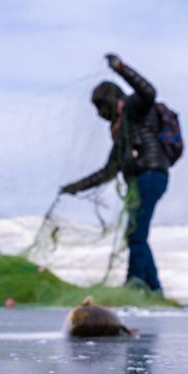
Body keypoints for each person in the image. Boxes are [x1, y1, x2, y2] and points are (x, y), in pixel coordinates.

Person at [60, 54, 171, 294]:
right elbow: (109, 170)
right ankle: (154, 290)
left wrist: (122, 69)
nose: (100, 113)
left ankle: (134, 284)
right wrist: (75, 187)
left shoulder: (135, 108)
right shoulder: (122, 131)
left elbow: (149, 92)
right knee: (136, 234)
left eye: (101, 106)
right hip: (142, 180)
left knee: (136, 234)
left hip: (150, 175)